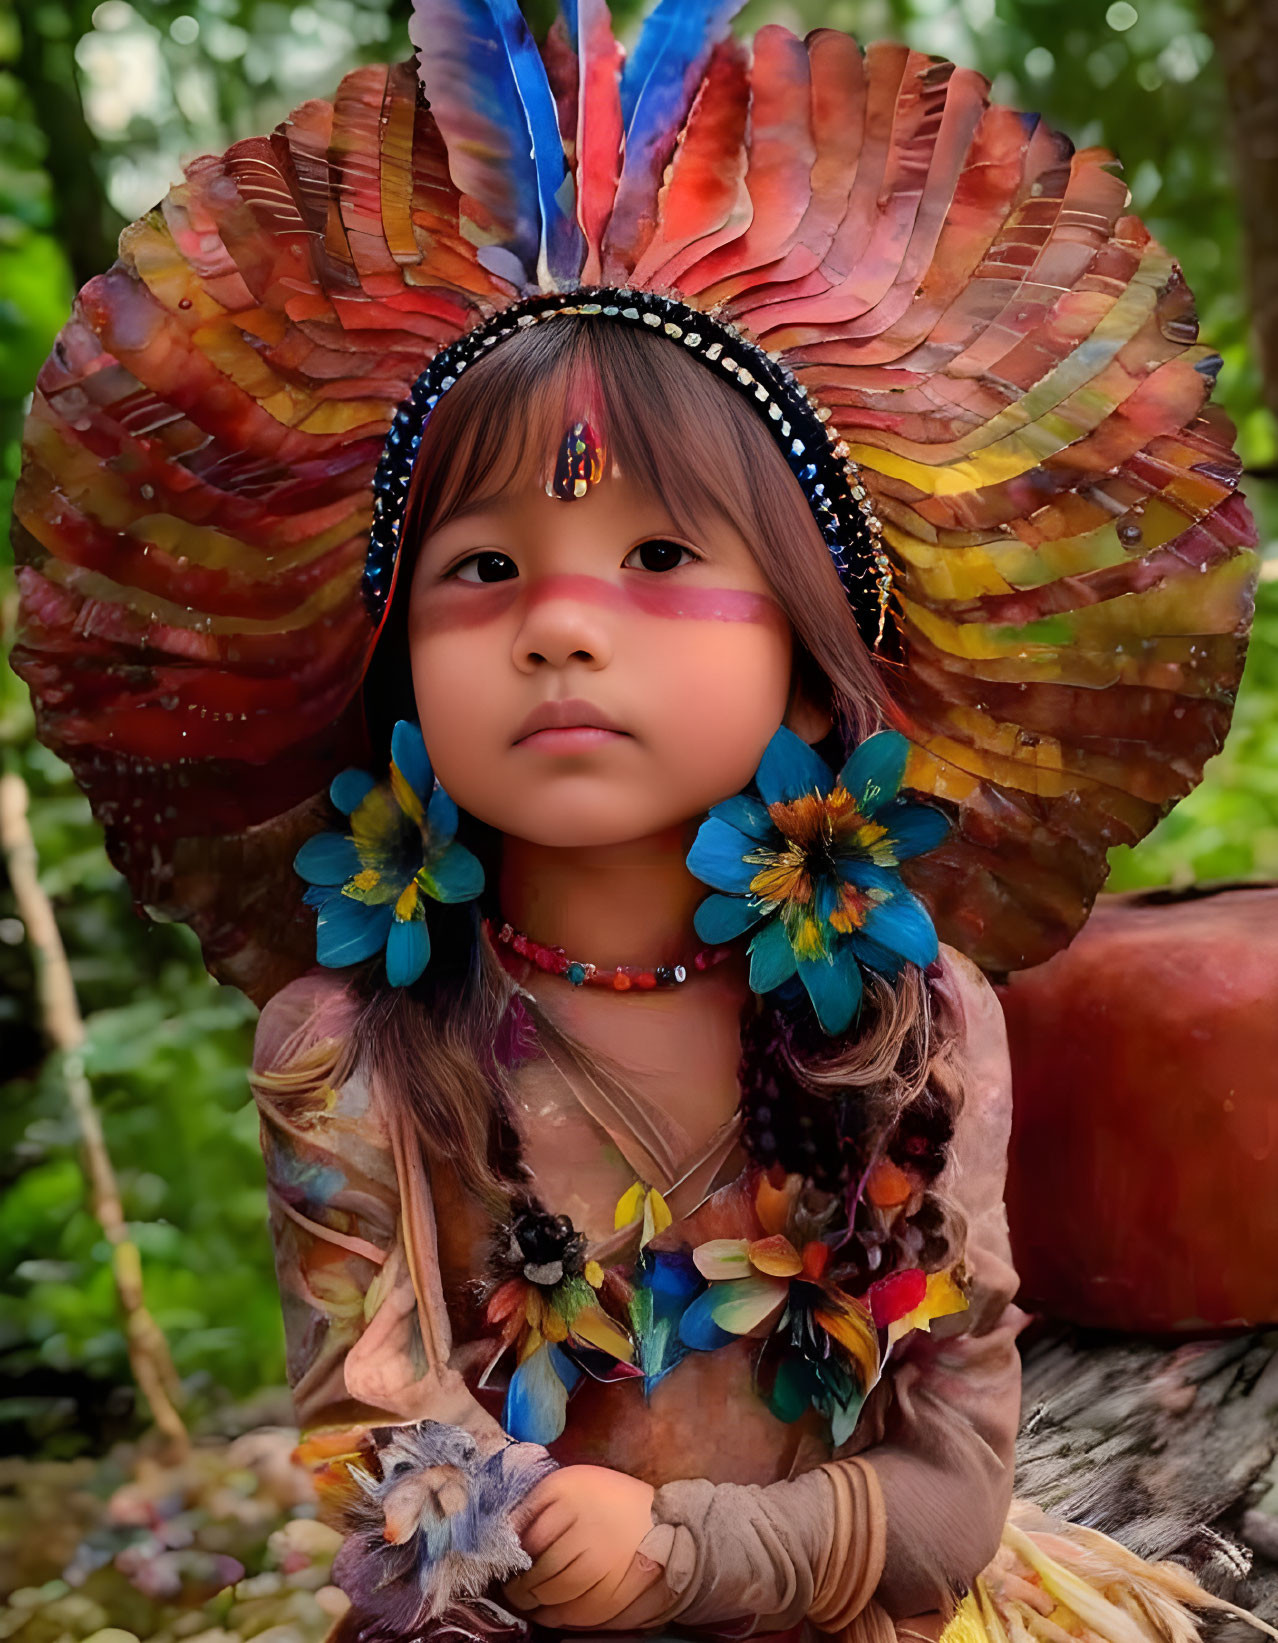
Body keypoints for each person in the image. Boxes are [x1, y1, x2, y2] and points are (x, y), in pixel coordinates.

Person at [9, 2, 1268, 1640]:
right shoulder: (354, 1050)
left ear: (820, 676)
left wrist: (688, 1554)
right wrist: (518, 1547)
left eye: (663, 562)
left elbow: (955, 1488)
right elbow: (371, 1448)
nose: (559, 625)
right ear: (395, 674)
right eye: (482, 570)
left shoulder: (918, 1026)